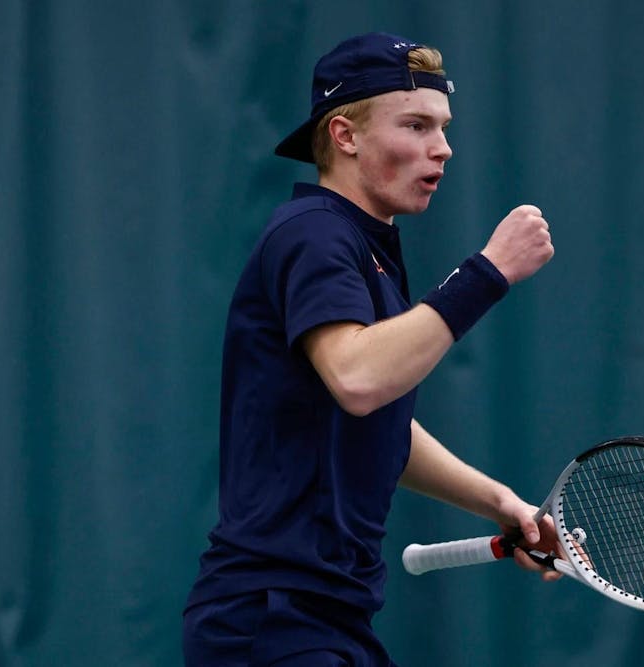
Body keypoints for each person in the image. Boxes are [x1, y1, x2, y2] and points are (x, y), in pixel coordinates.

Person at [182, 32, 556, 666]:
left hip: (329, 618)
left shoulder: (365, 249)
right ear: (344, 136)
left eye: (442, 127)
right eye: (415, 125)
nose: (442, 149)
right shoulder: (316, 234)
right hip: (271, 621)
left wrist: (501, 503)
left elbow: (380, 421)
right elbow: (358, 379)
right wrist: (489, 271)